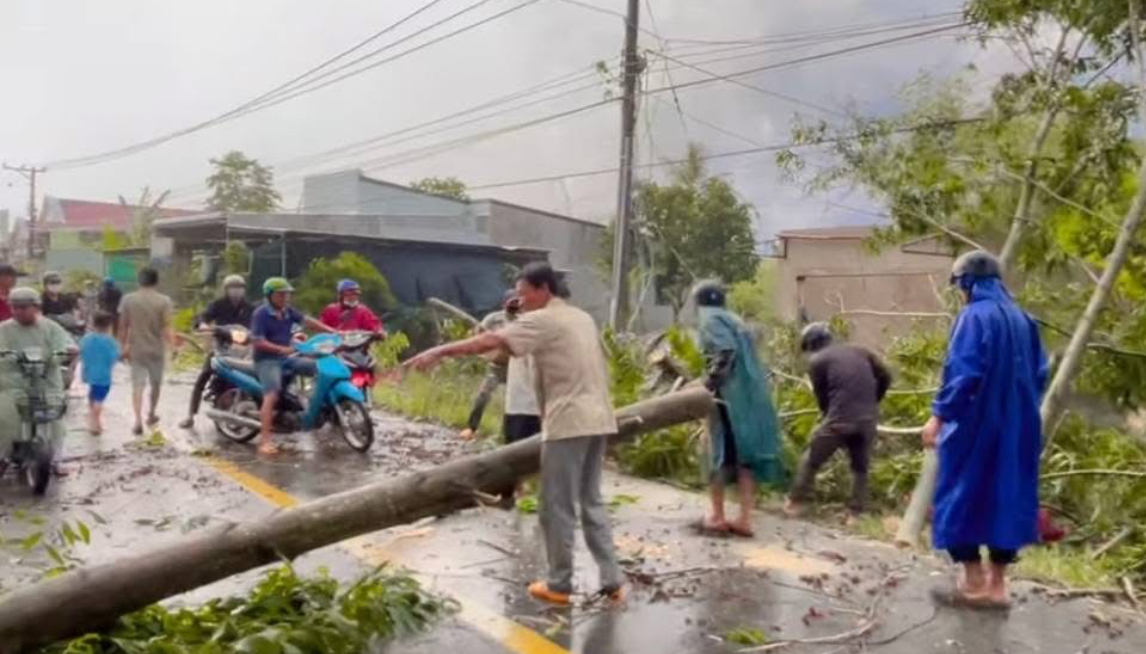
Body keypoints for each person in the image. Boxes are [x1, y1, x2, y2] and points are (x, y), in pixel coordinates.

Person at [406, 263, 625, 607]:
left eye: (524, 294)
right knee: (591, 500)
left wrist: (439, 351)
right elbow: (501, 350)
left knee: (556, 506)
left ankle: (560, 583)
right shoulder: (580, 318)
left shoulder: (543, 320)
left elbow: (493, 340)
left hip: (568, 421)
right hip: (598, 418)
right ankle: (612, 579)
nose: (520, 301)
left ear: (544, 290)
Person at [925, 250, 1047, 609]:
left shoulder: (973, 317)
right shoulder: (1025, 320)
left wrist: (939, 415)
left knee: (959, 494)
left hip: (977, 425)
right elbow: (1040, 375)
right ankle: (997, 587)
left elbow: (964, 373)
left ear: (967, 282)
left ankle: (974, 581)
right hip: (1020, 425)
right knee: (1007, 494)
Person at [693, 281, 785, 538]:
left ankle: (717, 516)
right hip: (753, 398)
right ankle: (744, 519)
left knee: (719, 453)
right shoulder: (735, 320)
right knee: (746, 460)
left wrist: (710, 384)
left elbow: (725, 352)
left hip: (730, 400)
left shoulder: (710, 320)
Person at [784, 323, 892, 518]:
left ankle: (795, 502)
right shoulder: (861, 351)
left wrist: (828, 416)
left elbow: (822, 396)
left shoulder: (818, 361)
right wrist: (874, 400)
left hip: (840, 418)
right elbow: (886, 376)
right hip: (868, 419)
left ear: (811, 345)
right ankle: (855, 513)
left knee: (811, 458)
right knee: (860, 467)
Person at [250, 277, 336, 455]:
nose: (285, 298)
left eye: (287, 294)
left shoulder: (288, 311)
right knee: (271, 395)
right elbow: (257, 342)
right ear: (269, 295)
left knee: (319, 368)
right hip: (267, 360)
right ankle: (265, 441)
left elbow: (308, 321)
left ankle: (316, 409)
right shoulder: (261, 314)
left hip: (287, 357)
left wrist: (332, 331)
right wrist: (281, 349)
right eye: (280, 294)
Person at [0, 288, 74, 465]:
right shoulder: (3, 329)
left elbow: (65, 345)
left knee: (55, 415)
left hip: (46, 382)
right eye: (15, 307)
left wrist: (66, 352)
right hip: (13, 384)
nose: (19, 311)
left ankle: (57, 458)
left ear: (36, 307)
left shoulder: (51, 328)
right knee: (5, 415)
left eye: (24, 307)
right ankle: (3, 452)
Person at [179, 275, 255, 429]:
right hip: (222, 348)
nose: (236, 291)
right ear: (226, 290)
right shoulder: (218, 305)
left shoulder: (250, 308)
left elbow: (260, 322)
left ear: (244, 290)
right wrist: (203, 324)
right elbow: (203, 316)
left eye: (239, 287)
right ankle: (190, 416)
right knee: (203, 376)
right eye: (232, 287)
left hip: (244, 350)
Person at [118, 267, 178, 435]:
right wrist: (173, 346)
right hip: (156, 350)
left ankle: (137, 419)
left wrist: (121, 348)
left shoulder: (128, 300)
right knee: (155, 384)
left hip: (136, 349)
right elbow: (167, 326)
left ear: (139, 281)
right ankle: (151, 413)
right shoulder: (164, 301)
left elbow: (123, 327)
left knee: (137, 385)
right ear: (156, 281)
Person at [459, 290, 517, 440]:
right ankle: (471, 428)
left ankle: (506, 434)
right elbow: (479, 333)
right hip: (496, 367)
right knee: (482, 397)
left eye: (517, 302)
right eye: (512, 302)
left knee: (512, 404)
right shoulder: (493, 318)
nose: (515, 305)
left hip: (515, 368)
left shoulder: (523, 320)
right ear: (504, 303)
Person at [79, 311, 120, 436]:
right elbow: (114, 357)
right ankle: (94, 423)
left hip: (89, 372)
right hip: (104, 375)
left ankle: (95, 422)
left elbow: (82, 353)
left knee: (92, 395)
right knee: (99, 399)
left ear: (93, 324)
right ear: (109, 326)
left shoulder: (87, 338)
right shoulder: (111, 341)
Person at [319, 279, 385, 333]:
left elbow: (375, 326)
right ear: (341, 295)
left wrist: (379, 331)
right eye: (349, 294)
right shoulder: (331, 309)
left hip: (358, 345)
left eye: (355, 294)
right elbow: (321, 328)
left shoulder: (363, 310)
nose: (353, 297)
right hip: (334, 344)